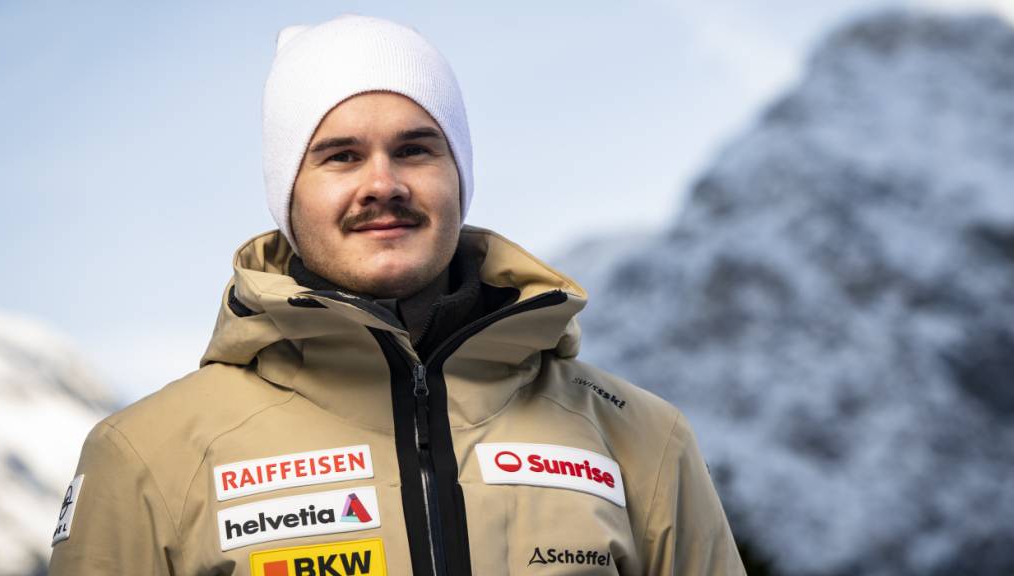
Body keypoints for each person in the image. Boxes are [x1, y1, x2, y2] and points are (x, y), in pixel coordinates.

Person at [48, 13, 746, 576]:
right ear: (288, 194)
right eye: (341, 156)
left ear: (458, 176)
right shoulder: (146, 456)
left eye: (415, 149)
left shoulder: (640, 437)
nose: (383, 184)